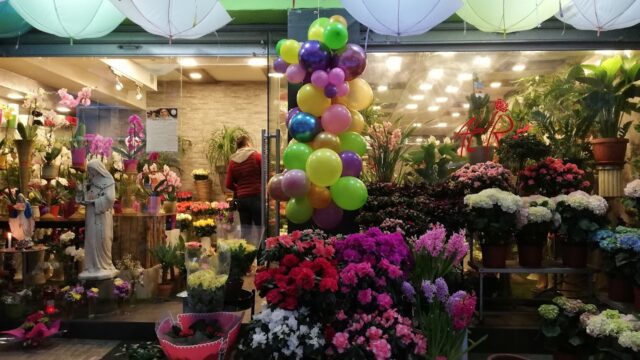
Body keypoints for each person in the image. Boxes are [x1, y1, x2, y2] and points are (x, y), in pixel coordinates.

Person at [79, 159, 118, 280]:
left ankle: (104, 265)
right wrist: (83, 197)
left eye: (92, 170)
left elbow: (110, 198)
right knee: (91, 238)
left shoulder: (108, 180)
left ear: (98, 169)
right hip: (91, 214)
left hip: (102, 215)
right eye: (89, 171)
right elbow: (89, 195)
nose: (90, 173)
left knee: (103, 238)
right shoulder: (92, 181)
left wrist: (95, 202)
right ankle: (92, 266)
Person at [225, 135, 262, 226]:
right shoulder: (257, 156)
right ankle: (261, 241)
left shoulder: (232, 162)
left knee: (246, 230)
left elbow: (228, 184)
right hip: (256, 197)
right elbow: (266, 174)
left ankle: (246, 240)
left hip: (242, 199)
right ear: (247, 143)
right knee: (260, 228)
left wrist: (239, 189)